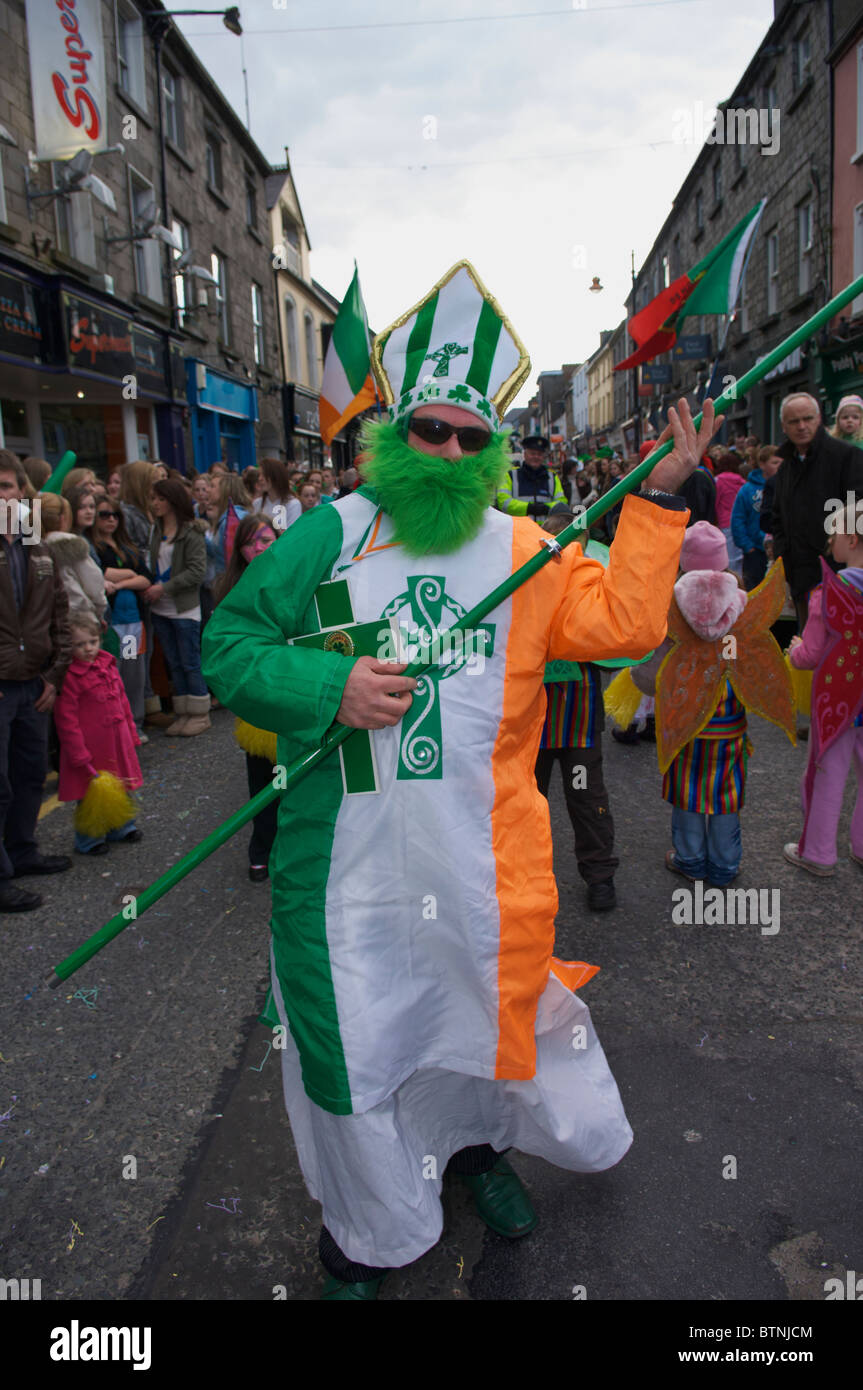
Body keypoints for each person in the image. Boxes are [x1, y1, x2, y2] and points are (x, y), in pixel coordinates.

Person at [202, 260, 719, 1298]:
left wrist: (659, 500)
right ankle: (362, 1228)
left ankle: (475, 1156)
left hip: (481, 865)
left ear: (492, 451)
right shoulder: (330, 534)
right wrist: (328, 682)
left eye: (469, 437)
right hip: (343, 871)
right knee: (358, 1033)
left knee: (471, 1016)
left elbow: (618, 628)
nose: (446, 451)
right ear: (391, 434)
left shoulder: (520, 546)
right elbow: (230, 646)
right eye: (428, 429)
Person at [625, 522, 792, 887]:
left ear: (684, 564)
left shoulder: (671, 612)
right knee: (724, 794)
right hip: (729, 725)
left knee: (687, 793)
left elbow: (651, 675)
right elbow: (754, 664)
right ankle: (724, 864)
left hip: (686, 722)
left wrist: (638, 679)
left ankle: (690, 858)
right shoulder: (744, 606)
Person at [0, 449, 74, 912]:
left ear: (22, 492)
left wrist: (54, 674)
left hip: (34, 682)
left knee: (30, 773)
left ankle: (22, 852)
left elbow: (59, 612)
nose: (1, 496)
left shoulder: (34, 545)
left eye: (7, 487)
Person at [534, 513, 619, 911]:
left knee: (586, 799)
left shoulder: (594, 585)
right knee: (527, 804)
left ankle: (600, 877)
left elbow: (616, 652)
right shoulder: (525, 583)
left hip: (577, 721)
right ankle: (526, 884)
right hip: (533, 721)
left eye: (576, 540)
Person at [784, 500, 863, 874]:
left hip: (837, 697)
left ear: (851, 537)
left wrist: (795, 651)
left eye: (834, 535)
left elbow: (811, 654)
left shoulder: (830, 592)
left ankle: (817, 852)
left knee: (827, 771)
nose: (831, 543)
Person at [212, 515, 280, 881]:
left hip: (290, 697)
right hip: (256, 703)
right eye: (252, 541)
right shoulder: (229, 590)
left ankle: (293, 847)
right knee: (262, 782)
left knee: (297, 780)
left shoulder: (294, 578)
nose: (260, 547)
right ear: (239, 549)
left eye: (267, 540)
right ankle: (262, 847)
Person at [769, 392, 863, 633]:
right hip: (800, 574)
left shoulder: (846, 456)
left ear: (819, 419)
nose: (802, 426)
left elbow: (857, 513)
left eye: (808, 419)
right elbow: (777, 515)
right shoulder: (786, 466)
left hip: (839, 577)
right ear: (784, 426)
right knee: (807, 648)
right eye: (794, 421)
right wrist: (783, 557)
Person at [52, 614, 143, 855]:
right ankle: (88, 839)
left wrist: (131, 732)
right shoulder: (70, 676)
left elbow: (123, 701)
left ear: (100, 639)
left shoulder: (109, 664)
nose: (88, 648)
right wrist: (78, 754)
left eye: (92, 641)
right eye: (79, 645)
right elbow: (66, 719)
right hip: (91, 748)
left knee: (120, 785)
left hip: (116, 740)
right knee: (90, 794)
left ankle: (121, 827)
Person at [144, 479, 209, 737]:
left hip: (183, 608)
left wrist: (164, 588)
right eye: (153, 499)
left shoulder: (191, 532)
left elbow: (197, 571)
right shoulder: (155, 530)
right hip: (161, 608)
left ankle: (199, 713)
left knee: (190, 660)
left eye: (160, 499)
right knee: (174, 662)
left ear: (171, 501)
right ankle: (183, 711)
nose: (155, 504)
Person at [89, 497, 154, 742]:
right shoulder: (94, 548)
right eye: (104, 514)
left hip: (133, 622)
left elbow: (146, 578)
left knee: (133, 675)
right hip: (111, 622)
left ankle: (134, 724)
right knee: (112, 675)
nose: (111, 519)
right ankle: (116, 727)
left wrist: (123, 579)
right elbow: (101, 574)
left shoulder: (127, 546)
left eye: (115, 514)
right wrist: (130, 574)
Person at [731, 445, 782, 591]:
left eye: (781, 463)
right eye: (775, 462)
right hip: (755, 550)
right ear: (762, 464)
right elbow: (738, 519)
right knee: (753, 590)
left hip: (778, 549)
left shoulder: (786, 485)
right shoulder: (747, 490)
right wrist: (747, 546)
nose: (779, 466)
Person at [496, 434, 567, 517]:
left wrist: (546, 508)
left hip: (544, 529)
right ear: (525, 455)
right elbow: (504, 502)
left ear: (543, 457)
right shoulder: (511, 476)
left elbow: (561, 503)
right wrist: (529, 508)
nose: (536, 457)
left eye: (539, 454)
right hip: (519, 529)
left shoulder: (552, 478)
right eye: (532, 453)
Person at [713, 453, 745, 576]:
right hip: (740, 523)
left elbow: (715, 502)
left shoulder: (718, 481)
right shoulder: (742, 481)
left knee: (727, 558)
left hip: (724, 523)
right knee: (739, 558)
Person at [252, 457, 300, 530]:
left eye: (263, 475)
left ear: (275, 476)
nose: (260, 479)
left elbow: (291, 535)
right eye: (259, 475)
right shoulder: (257, 503)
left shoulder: (293, 504)